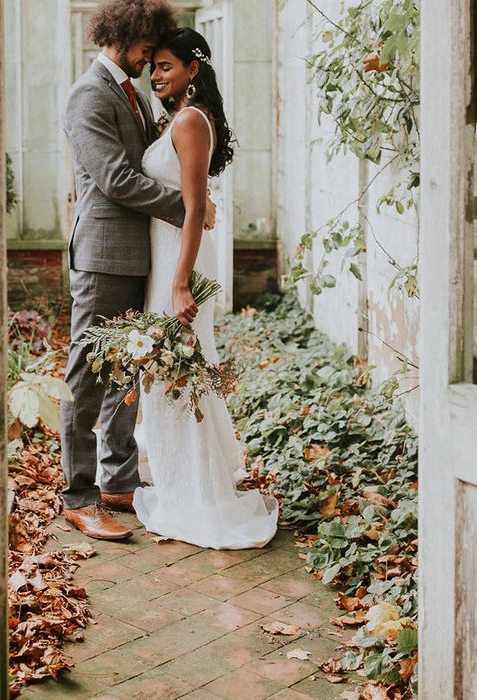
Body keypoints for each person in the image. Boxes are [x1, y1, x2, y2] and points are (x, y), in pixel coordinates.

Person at [60, 0, 215, 540]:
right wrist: (187, 208)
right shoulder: (88, 95)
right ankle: (79, 497)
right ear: (121, 36)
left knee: (129, 369)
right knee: (88, 372)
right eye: (146, 47)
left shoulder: (132, 93)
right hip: (104, 255)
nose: (150, 58)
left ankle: (118, 481)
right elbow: (115, 179)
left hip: (142, 254)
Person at [133, 27, 279, 549]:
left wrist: (178, 284)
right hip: (169, 255)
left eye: (167, 66)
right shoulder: (181, 118)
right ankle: (185, 483)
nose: (157, 75)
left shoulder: (191, 121)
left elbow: (195, 209)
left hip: (182, 259)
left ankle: (196, 494)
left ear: (194, 69)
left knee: (178, 374)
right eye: (154, 67)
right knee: (176, 373)